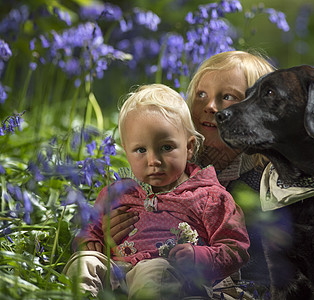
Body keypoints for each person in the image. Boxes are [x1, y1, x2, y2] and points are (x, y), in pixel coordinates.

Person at [104, 51, 276, 296]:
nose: (210, 106)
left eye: (227, 97)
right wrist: (109, 231)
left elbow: (260, 264)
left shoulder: (264, 184)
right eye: (201, 95)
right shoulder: (169, 165)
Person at [63, 84, 250, 299]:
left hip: (175, 278)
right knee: (83, 263)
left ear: (189, 147)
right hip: (116, 272)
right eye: (141, 150)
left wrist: (199, 257)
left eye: (166, 148)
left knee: (155, 272)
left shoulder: (209, 196)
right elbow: (90, 229)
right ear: (126, 150)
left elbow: (235, 248)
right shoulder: (117, 192)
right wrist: (90, 241)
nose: (154, 161)